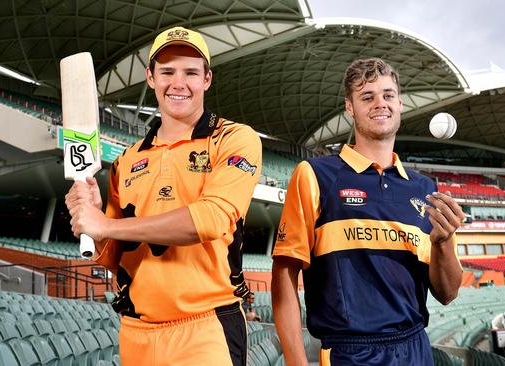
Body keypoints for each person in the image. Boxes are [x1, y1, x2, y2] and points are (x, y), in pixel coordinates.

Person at [65, 26, 262, 366]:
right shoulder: (126, 162)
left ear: (207, 79)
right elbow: (114, 255)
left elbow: (212, 219)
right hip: (136, 332)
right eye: (167, 72)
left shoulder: (234, 138)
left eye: (190, 72)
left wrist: (106, 226)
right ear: (150, 78)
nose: (178, 83)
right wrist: (95, 220)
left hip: (206, 329)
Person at [271, 58, 464, 366]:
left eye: (388, 95)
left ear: (400, 103)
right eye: (367, 96)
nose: (380, 103)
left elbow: (447, 292)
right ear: (350, 107)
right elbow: (284, 273)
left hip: (417, 349)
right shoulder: (316, 174)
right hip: (351, 353)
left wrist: (443, 243)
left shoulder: (424, 188)